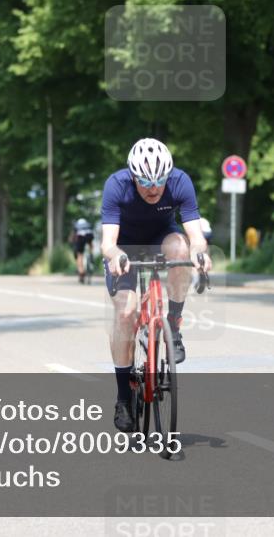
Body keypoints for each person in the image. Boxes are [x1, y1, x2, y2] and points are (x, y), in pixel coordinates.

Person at [101, 138, 211, 433]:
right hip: (125, 248)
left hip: (162, 240)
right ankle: (124, 397)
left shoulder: (181, 182)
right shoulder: (116, 185)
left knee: (181, 249)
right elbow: (107, 243)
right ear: (132, 176)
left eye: (160, 180)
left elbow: (195, 234)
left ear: (169, 175)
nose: (154, 188)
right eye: (145, 182)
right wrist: (115, 254)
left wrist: (200, 251)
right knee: (126, 312)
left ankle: (173, 326)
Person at [70, 218, 95, 283]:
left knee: (79, 254)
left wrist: (72, 241)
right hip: (89, 235)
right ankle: (91, 255)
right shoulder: (88, 225)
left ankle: (81, 271)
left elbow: (73, 237)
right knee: (90, 244)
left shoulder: (77, 226)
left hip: (80, 237)